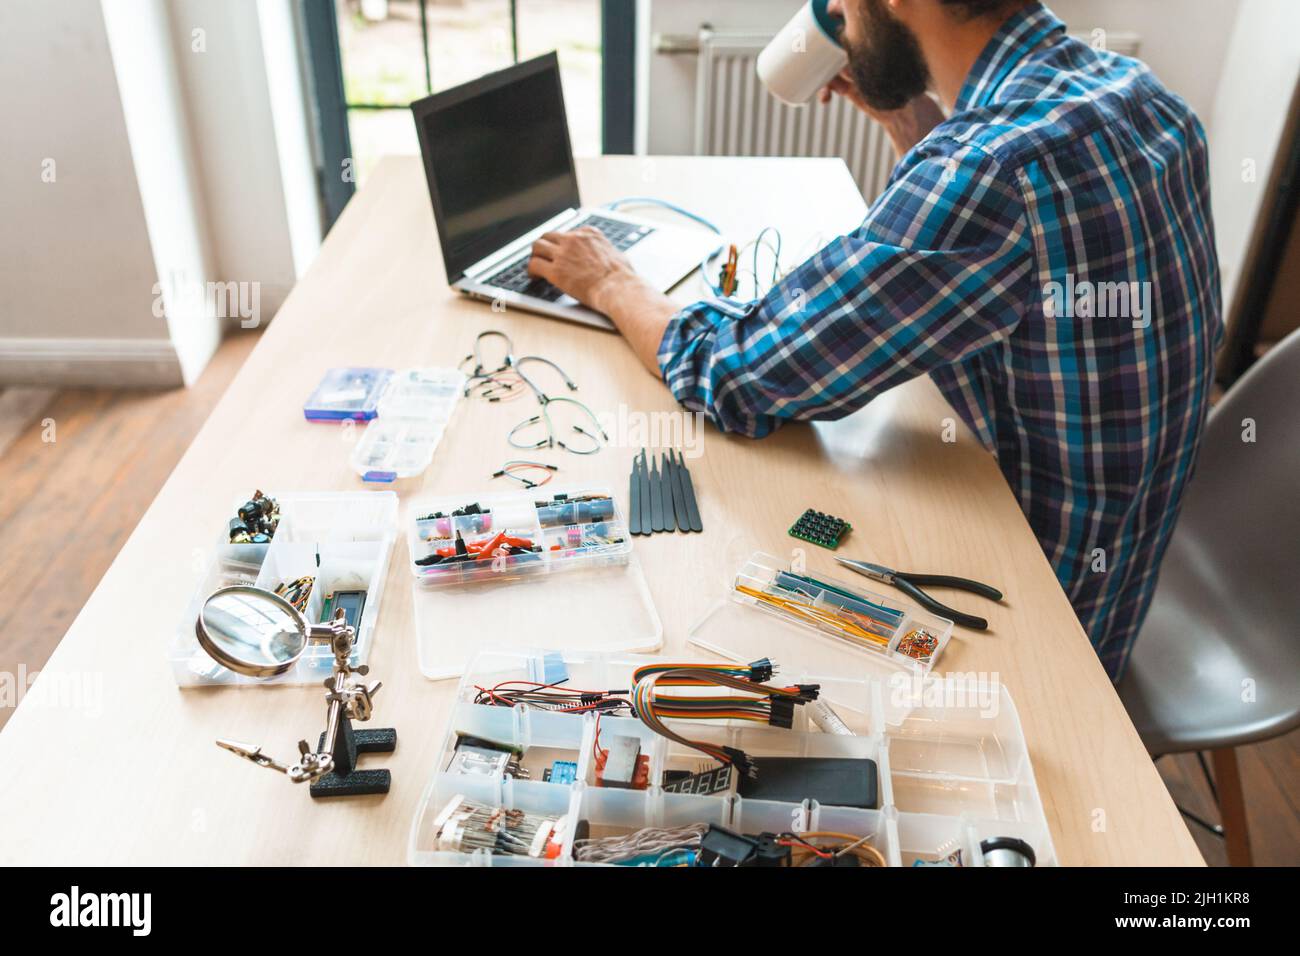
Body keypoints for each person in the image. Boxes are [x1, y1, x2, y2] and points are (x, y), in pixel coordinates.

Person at [525, 0, 1222, 680]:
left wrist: (612, 281)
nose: (837, 19)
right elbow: (993, 252)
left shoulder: (988, 171)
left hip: (1042, 635)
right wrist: (910, 122)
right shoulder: (1144, 98)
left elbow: (737, 376)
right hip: (1126, 575)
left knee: (715, 595)